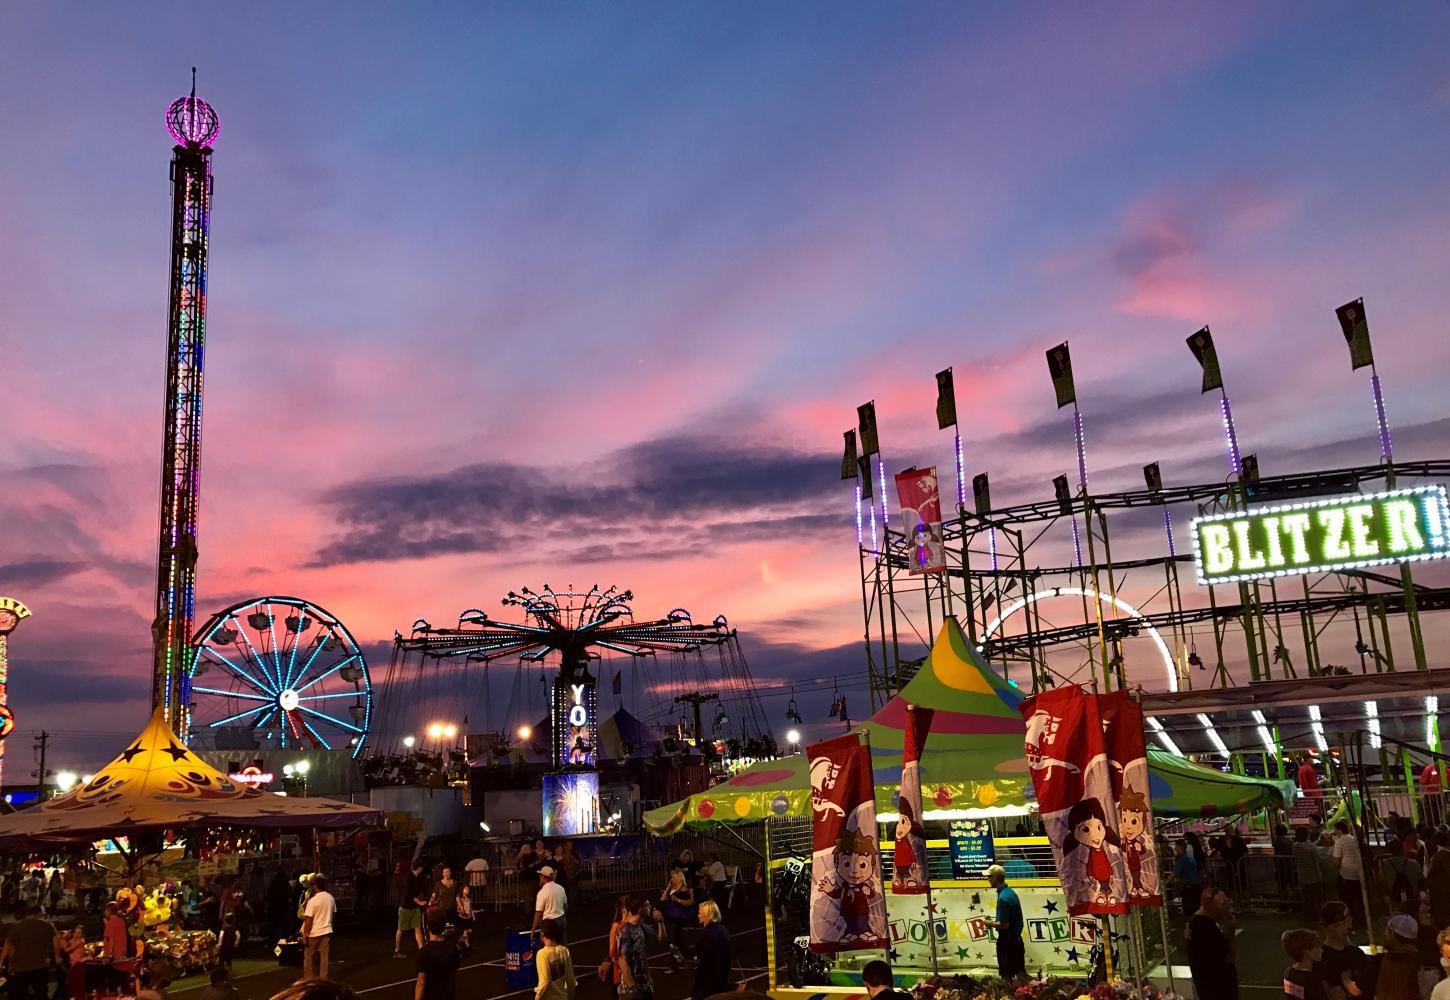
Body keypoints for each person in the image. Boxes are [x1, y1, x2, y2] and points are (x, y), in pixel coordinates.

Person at [1186, 888, 1238, 1000]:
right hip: (1217, 989)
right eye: (1223, 904)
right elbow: (1228, 956)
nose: (1227, 907)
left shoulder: (1197, 922)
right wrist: (1230, 931)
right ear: (1211, 907)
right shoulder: (1205, 927)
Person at [2, 905, 57, 1000]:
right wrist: (53, 956)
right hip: (40, 965)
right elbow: (56, 939)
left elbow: (10, 947)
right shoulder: (46, 925)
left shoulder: (17, 928)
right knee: (41, 992)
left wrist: (11, 964)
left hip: (22, 967)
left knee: (20, 993)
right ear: (38, 914)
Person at [1314, 902, 1367, 1000]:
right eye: (1336, 926)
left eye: (1344, 924)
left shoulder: (1356, 953)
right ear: (1325, 929)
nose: (1343, 929)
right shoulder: (1321, 956)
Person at [982, 865, 1025, 980]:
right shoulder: (1010, 893)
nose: (988, 880)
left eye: (990, 877)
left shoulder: (1003, 898)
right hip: (1017, 941)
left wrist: (988, 923)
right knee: (1020, 977)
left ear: (995, 878)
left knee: (1006, 977)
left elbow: (1004, 924)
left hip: (1007, 943)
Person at [615, 897, 662, 1000]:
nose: (650, 907)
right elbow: (622, 959)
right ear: (641, 909)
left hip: (644, 983)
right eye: (647, 905)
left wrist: (660, 922)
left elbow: (660, 937)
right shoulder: (625, 931)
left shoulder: (640, 926)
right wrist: (631, 985)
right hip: (632, 987)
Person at [691, 901, 733, 1000]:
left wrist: (686, 961)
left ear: (707, 915)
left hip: (708, 982)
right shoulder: (723, 930)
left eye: (700, 913)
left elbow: (705, 961)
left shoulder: (707, 934)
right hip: (723, 978)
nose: (698, 915)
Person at [414, 913, 459, 1000]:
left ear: (428, 927)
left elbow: (421, 983)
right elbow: (454, 969)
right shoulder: (452, 948)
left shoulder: (424, 952)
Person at [300, 874, 336, 980]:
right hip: (327, 929)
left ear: (316, 886)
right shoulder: (330, 898)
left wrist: (305, 935)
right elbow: (334, 914)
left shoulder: (313, 901)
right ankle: (323, 978)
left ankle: (308, 978)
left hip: (315, 932)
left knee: (308, 955)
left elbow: (308, 920)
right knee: (324, 955)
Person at [658, 869, 696, 970]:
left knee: (673, 941)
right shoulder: (672, 888)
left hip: (680, 918)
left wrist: (677, 900)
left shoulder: (684, 889)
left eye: (673, 877)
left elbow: (689, 902)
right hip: (672, 917)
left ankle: (674, 965)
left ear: (678, 878)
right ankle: (691, 956)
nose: (671, 879)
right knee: (677, 940)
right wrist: (669, 887)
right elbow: (663, 898)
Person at [1378, 913, 1421, 1000]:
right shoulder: (1421, 961)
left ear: (1392, 934)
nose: (1385, 934)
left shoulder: (1385, 960)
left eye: (1387, 930)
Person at [1331, 823, 1364, 929]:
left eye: (1335, 829)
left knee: (1347, 901)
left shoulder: (1340, 841)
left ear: (1339, 830)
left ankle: (1350, 922)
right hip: (1358, 872)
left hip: (1346, 874)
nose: (1334, 832)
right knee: (1359, 899)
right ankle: (1361, 921)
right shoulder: (1353, 839)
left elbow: (1336, 860)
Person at [395, 860, 430, 959]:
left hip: (415, 908)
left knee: (417, 928)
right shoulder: (409, 877)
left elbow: (425, 889)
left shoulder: (420, 878)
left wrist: (431, 898)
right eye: (421, 867)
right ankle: (397, 950)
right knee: (401, 929)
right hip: (405, 907)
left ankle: (421, 949)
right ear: (418, 868)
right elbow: (408, 893)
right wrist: (419, 902)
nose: (422, 869)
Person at [1281, 928, 1328, 1000]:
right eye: (1318, 947)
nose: (1321, 950)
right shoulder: (1312, 981)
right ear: (1306, 952)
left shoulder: (1288, 973)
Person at [535, 917, 575, 1000]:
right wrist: (570, 997)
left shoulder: (542, 954)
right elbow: (570, 979)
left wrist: (537, 998)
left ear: (542, 935)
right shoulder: (564, 951)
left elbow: (545, 982)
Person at [1292, 828, 1323, 923]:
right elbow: (1318, 860)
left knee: (1306, 900)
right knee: (1317, 900)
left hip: (1302, 877)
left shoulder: (1295, 846)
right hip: (1314, 877)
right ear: (1307, 835)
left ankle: (1308, 919)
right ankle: (1319, 918)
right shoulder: (1311, 847)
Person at [531, 866, 568, 943]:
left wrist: (533, 929)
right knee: (563, 945)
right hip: (561, 920)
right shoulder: (560, 888)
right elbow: (565, 906)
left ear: (544, 877)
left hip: (549, 924)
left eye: (540, 875)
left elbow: (538, 913)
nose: (540, 877)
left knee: (548, 948)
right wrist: (563, 915)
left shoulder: (542, 892)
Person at [1173, 841, 1202, 917]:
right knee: (1196, 910)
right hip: (1195, 887)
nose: (1175, 848)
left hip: (1189, 889)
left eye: (1176, 846)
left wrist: (1164, 883)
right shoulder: (1190, 856)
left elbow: (1175, 873)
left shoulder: (1182, 859)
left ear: (1179, 847)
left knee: (1189, 912)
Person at [59, 924, 86, 1000]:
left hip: (78, 964)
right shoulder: (71, 941)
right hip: (73, 964)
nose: (77, 935)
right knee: (73, 983)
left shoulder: (80, 941)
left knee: (79, 984)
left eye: (79, 933)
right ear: (73, 933)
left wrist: (63, 938)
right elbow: (62, 947)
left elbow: (67, 950)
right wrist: (63, 938)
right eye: (76, 932)